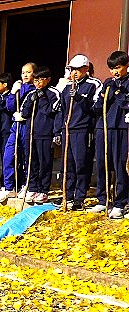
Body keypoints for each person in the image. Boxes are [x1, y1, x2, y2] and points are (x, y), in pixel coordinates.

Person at [54, 55, 101, 211]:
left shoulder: (93, 84)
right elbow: (61, 110)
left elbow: (96, 108)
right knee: (67, 164)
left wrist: (81, 98)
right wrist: (58, 130)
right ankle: (67, 194)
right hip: (67, 129)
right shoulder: (66, 87)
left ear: (86, 69)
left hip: (83, 129)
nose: (74, 73)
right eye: (72, 69)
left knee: (81, 163)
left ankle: (79, 197)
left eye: (78, 70)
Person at [94, 51, 129, 218]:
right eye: (112, 68)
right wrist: (105, 97)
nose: (115, 71)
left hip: (121, 127)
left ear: (126, 66)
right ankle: (103, 199)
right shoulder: (108, 82)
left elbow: (126, 104)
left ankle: (120, 202)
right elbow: (98, 106)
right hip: (105, 126)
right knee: (102, 163)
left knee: (120, 164)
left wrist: (118, 93)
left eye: (118, 67)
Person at [0, 63, 37, 203]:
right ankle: (9, 187)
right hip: (16, 125)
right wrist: (13, 93)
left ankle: (26, 184)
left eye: (28, 72)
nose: (25, 75)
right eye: (23, 72)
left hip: (27, 125)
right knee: (9, 155)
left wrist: (24, 113)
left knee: (26, 156)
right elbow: (10, 106)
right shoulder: (19, 87)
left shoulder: (35, 89)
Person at [18, 67, 60, 204]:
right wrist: (31, 100)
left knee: (45, 162)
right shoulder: (31, 93)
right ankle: (32, 187)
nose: (38, 83)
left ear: (48, 80)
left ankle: (43, 190)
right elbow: (24, 113)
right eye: (36, 80)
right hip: (31, 133)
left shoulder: (53, 93)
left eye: (41, 80)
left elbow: (51, 110)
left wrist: (42, 98)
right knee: (32, 161)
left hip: (45, 133)